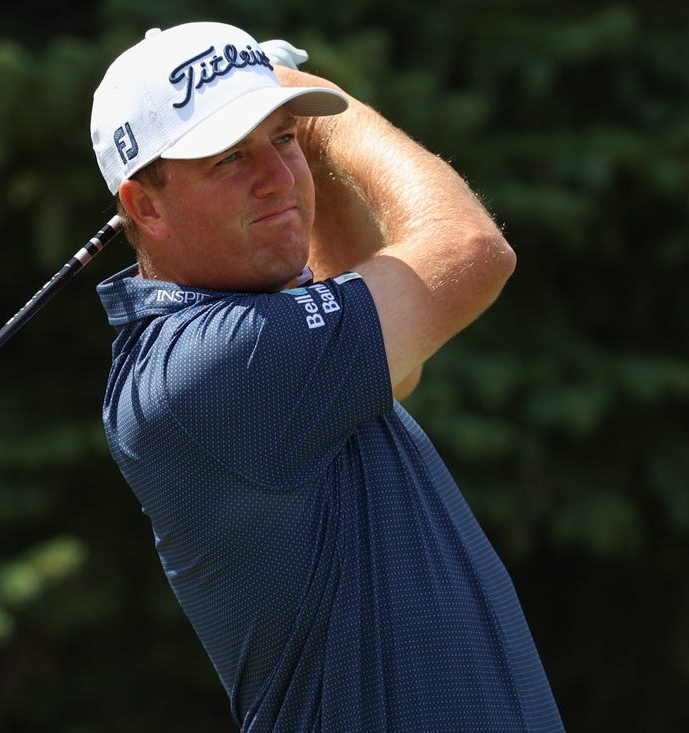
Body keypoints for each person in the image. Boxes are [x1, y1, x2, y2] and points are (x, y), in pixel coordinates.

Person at [90, 21, 563, 733]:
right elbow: (471, 249)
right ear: (145, 205)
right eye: (229, 158)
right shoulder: (208, 369)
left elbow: (396, 372)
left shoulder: (247, 341)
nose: (278, 177)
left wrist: (290, 125)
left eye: (284, 141)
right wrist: (328, 111)